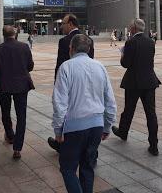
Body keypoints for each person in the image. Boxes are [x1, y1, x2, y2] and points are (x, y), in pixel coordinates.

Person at [52, 34, 116, 193]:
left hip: (74, 126)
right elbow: (110, 100)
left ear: (71, 49)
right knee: (87, 167)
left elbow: (59, 102)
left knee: (67, 168)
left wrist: (58, 129)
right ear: (89, 49)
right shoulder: (99, 66)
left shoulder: (66, 67)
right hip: (96, 125)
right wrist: (107, 126)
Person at [112, 18, 161, 156]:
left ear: (134, 28)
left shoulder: (131, 42)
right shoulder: (151, 42)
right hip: (150, 81)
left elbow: (126, 64)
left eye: (130, 26)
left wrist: (122, 55)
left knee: (128, 109)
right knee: (151, 114)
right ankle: (154, 145)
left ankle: (123, 132)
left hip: (134, 81)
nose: (129, 28)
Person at [48, 14, 94, 152]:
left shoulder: (64, 41)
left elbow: (60, 64)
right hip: (86, 83)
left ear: (71, 24)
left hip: (69, 82)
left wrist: (57, 83)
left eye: (63, 23)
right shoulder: (89, 39)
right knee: (85, 110)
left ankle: (63, 143)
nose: (61, 26)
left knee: (67, 113)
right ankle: (90, 148)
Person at [0, 26, 34, 160]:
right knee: (21, 116)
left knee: (5, 112)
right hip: (21, 85)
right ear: (15, 34)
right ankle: (17, 147)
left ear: (3, 35)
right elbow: (30, 66)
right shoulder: (24, 47)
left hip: (4, 85)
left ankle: (10, 135)